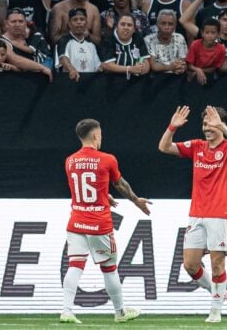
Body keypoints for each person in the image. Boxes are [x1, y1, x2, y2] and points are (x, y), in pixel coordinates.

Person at [158, 105, 227, 323]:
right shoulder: (197, 146)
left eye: (210, 123)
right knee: (190, 264)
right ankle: (218, 293)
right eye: (204, 124)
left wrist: (223, 127)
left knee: (218, 264)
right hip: (197, 214)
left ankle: (215, 310)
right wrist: (172, 127)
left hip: (220, 213)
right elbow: (164, 147)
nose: (206, 128)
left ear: (220, 124)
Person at [61, 118, 151, 324]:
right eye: (100, 134)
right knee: (109, 268)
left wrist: (104, 195)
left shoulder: (70, 160)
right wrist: (137, 201)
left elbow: (83, 186)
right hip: (98, 224)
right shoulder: (107, 159)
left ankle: (66, 310)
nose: (101, 138)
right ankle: (120, 313)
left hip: (76, 222)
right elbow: (120, 184)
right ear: (94, 135)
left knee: (75, 266)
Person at [55, 8, 101, 81]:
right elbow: (63, 58)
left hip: (89, 85)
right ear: (69, 24)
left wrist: (105, 67)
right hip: (69, 82)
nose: (79, 22)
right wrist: (72, 70)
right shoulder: (63, 41)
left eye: (82, 19)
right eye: (75, 19)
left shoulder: (91, 44)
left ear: (86, 23)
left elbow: (98, 66)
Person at [99, 13, 150, 78]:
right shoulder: (108, 41)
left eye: (129, 25)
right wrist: (129, 69)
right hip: (113, 82)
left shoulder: (138, 38)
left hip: (136, 81)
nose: (126, 28)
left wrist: (141, 69)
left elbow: (146, 62)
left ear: (134, 29)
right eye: (122, 24)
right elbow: (109, 65)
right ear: (117, 27)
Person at [143, 9, 187, 74]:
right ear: (157, 24)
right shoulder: (148, 40)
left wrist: (182, 68)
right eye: (163, 23)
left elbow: (183, 62)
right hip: (156, 77)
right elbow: (153, 66)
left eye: (170, 24)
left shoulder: (180, 38)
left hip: (177, 76)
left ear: (175, 26)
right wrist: (170, 67)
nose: (167, 27)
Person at [185, 17, 226, 85]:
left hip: (210, 78)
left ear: (218, 34)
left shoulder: (221, 49)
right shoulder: (195, 44)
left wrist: (200, 71)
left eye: (213, 33)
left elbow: (215, 68)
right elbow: (189, 65)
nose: (210, 35)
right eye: (207, 32)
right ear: (202, 33)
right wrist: (197, 70)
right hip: (192, 76)